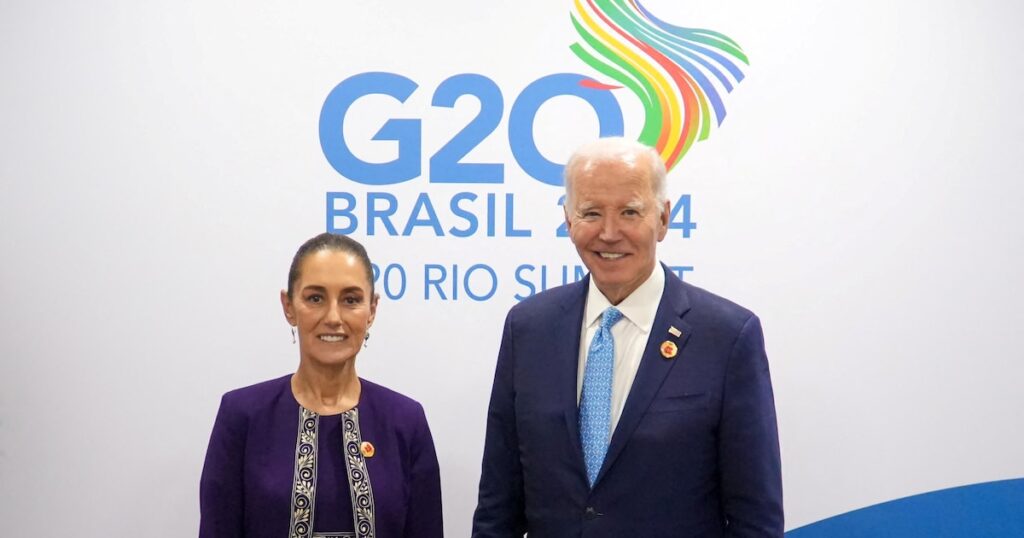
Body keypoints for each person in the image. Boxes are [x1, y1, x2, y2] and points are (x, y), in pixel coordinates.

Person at [472, 138, 783, 537]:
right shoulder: (528, 330)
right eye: (591, 213)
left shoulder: (727, 337)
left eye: (630, 212)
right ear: (568, 220)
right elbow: (498, 507)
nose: (609, 233)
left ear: (664, 219)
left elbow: (755, 520)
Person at [200, 233, 443, 538]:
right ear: (289, 306)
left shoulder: (405, 420)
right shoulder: (242, 416)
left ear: (372, 310)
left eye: (351, 300)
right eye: (315, 298)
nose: (333, 317)